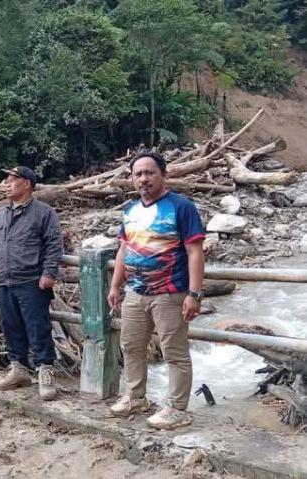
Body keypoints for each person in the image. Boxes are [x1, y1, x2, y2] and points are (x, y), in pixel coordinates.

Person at [108, 151, 205, 430]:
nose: (144, 179)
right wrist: (116, 285)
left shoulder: (180, 206)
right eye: (138, 174)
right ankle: (136, 397)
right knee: (131, 346)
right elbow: (124, 250)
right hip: (136, 293)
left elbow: (195, 251)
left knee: (174, 352)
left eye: (150, 173)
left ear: (164, 174)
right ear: (132, 179)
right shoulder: (131, 210)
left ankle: (177, 408)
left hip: (170, 293)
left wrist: (194, 293)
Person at [0, 166, 63, 400]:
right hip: (5, 279)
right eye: (6, 180)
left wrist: (49, 273)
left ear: (27, 184)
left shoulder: (43, 212)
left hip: (32, 279)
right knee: (10, 325)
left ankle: (45, 372)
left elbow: (53, 244)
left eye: (12, 180)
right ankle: (18, 368)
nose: (6, 183)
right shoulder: (0, 211)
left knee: (38, 327)